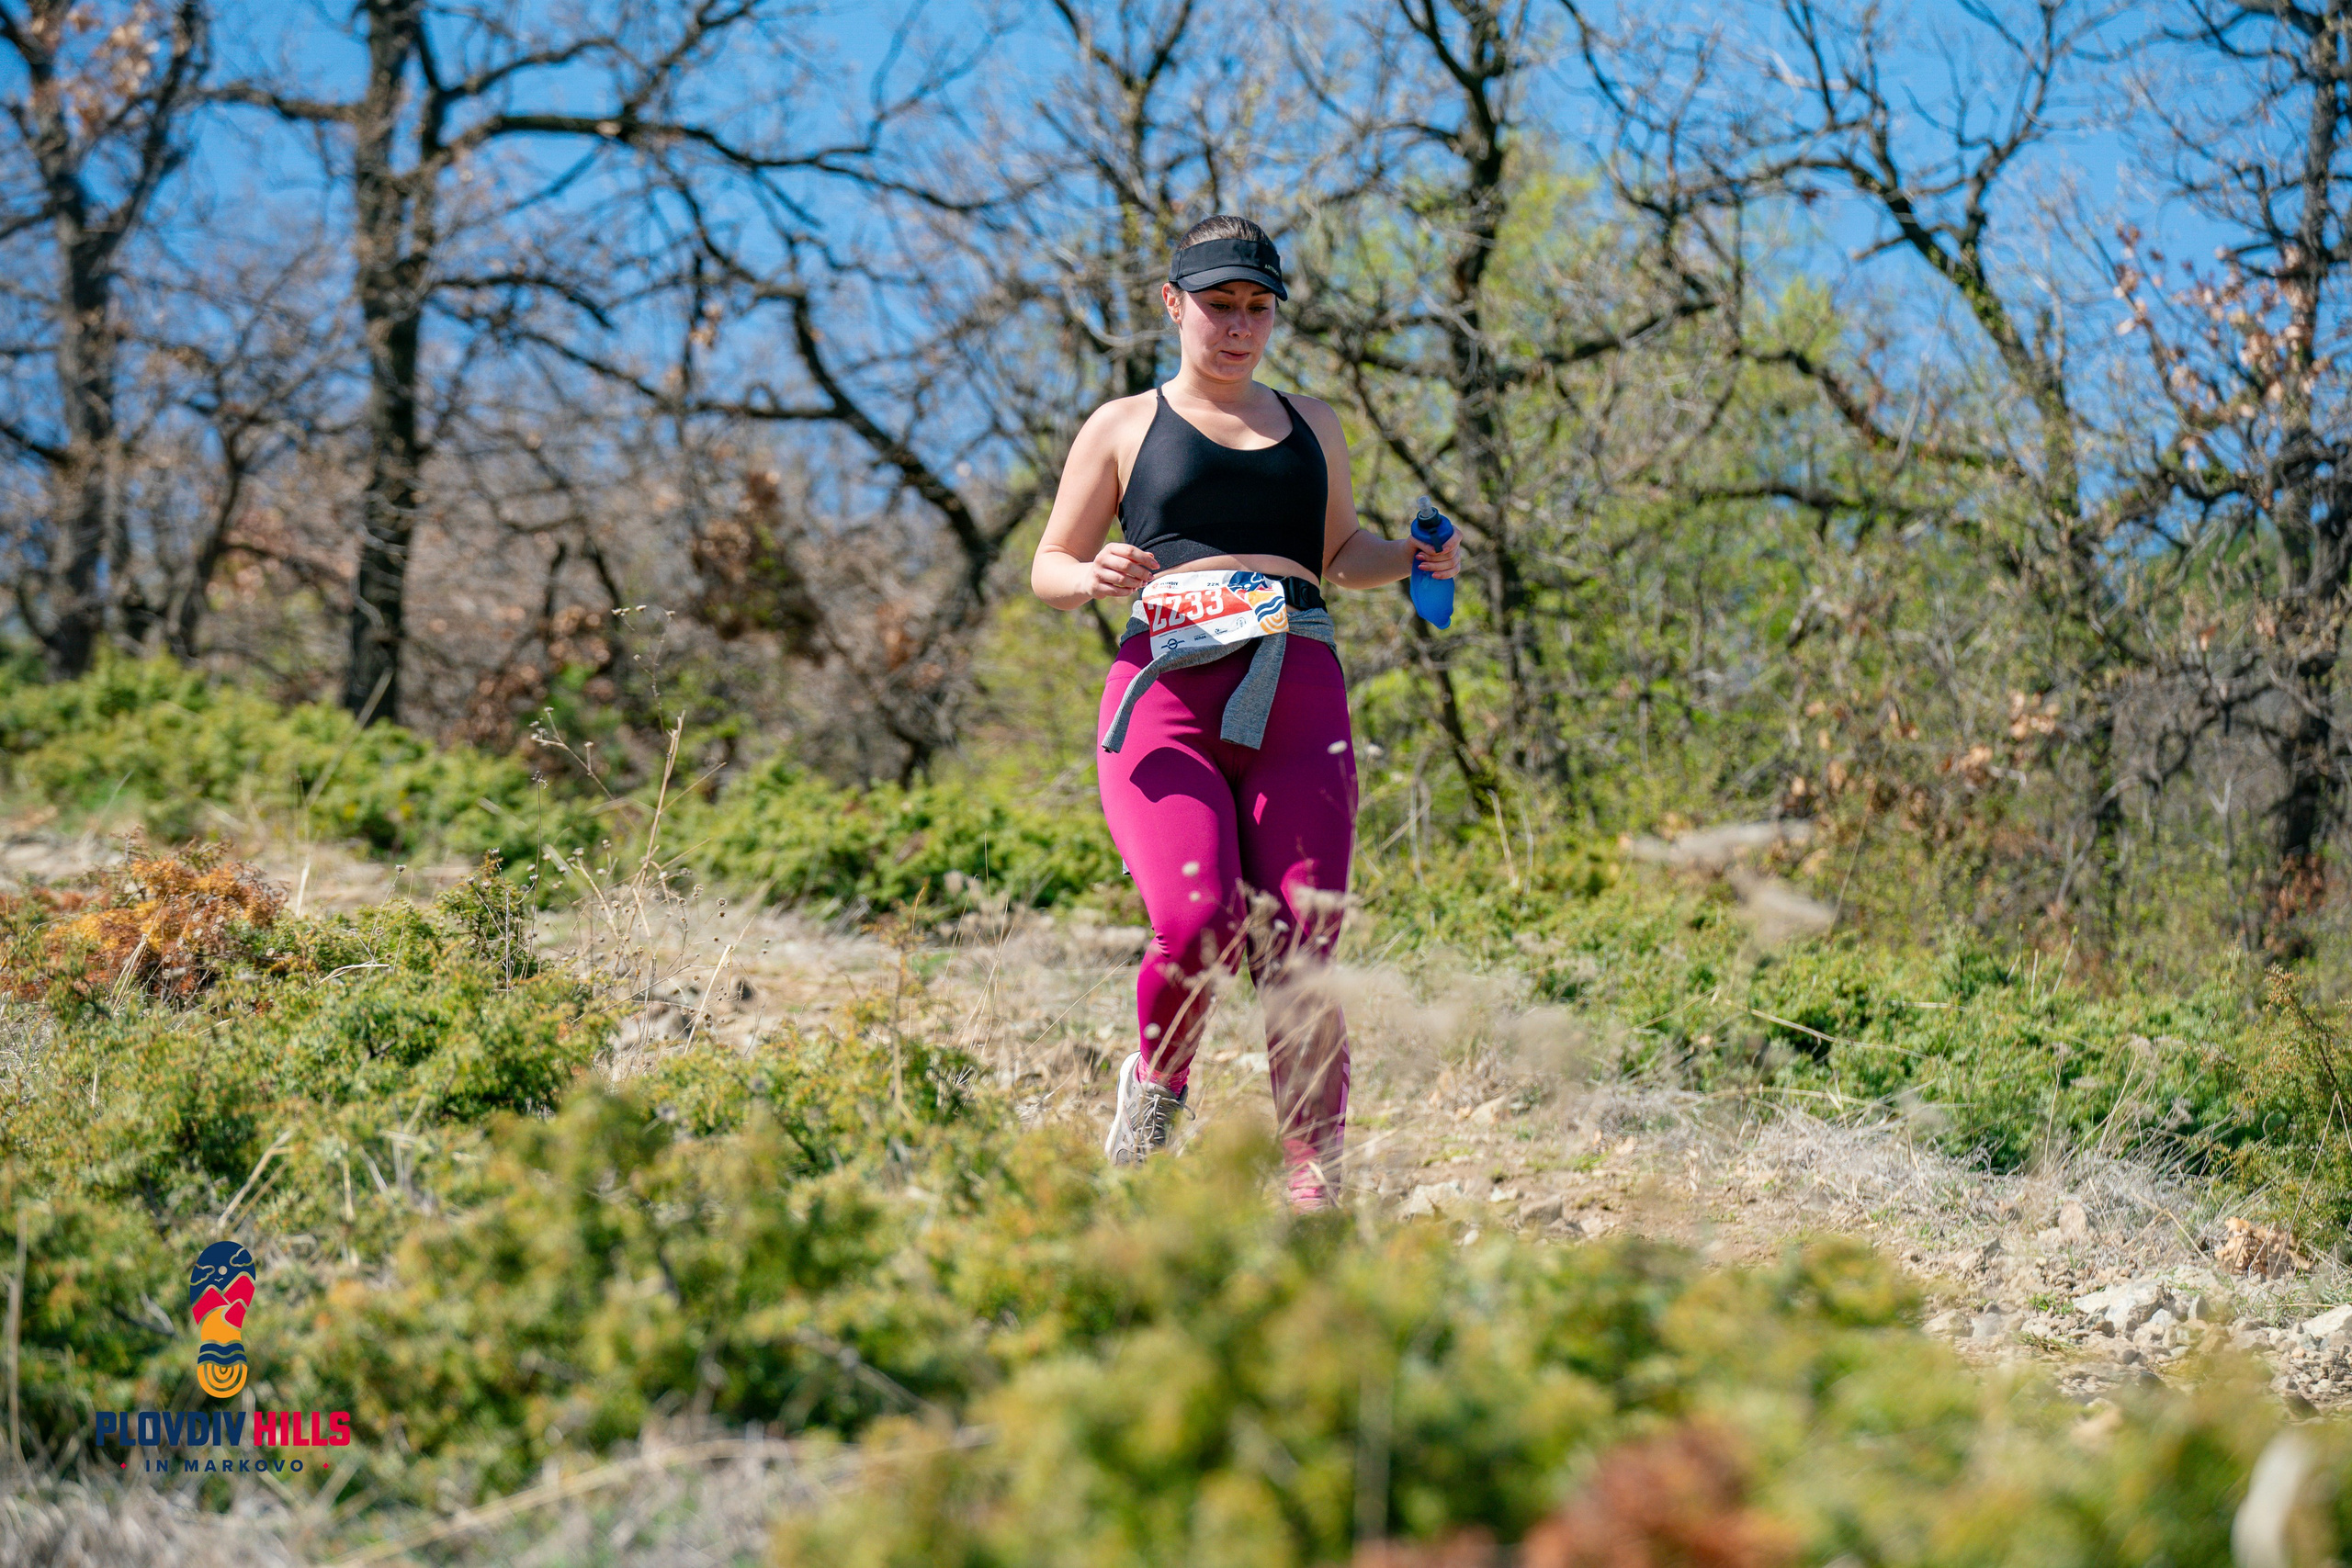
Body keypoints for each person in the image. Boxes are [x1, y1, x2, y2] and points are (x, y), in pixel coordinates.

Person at [1030, 215, 1463, 1211]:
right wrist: (1091, 571)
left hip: (1298, 684)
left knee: (1302, 951)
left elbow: (1339, 552)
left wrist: (1411, 558)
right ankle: (1153, 1096)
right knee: (1194, 919)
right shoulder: (1121, 425)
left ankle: (1315, 1184)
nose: (1238, 327)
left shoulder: (1312, 421)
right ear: (1173, 304)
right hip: (1165, 689)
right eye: (1218, 305)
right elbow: (1047, 566)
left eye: (1257, 308)